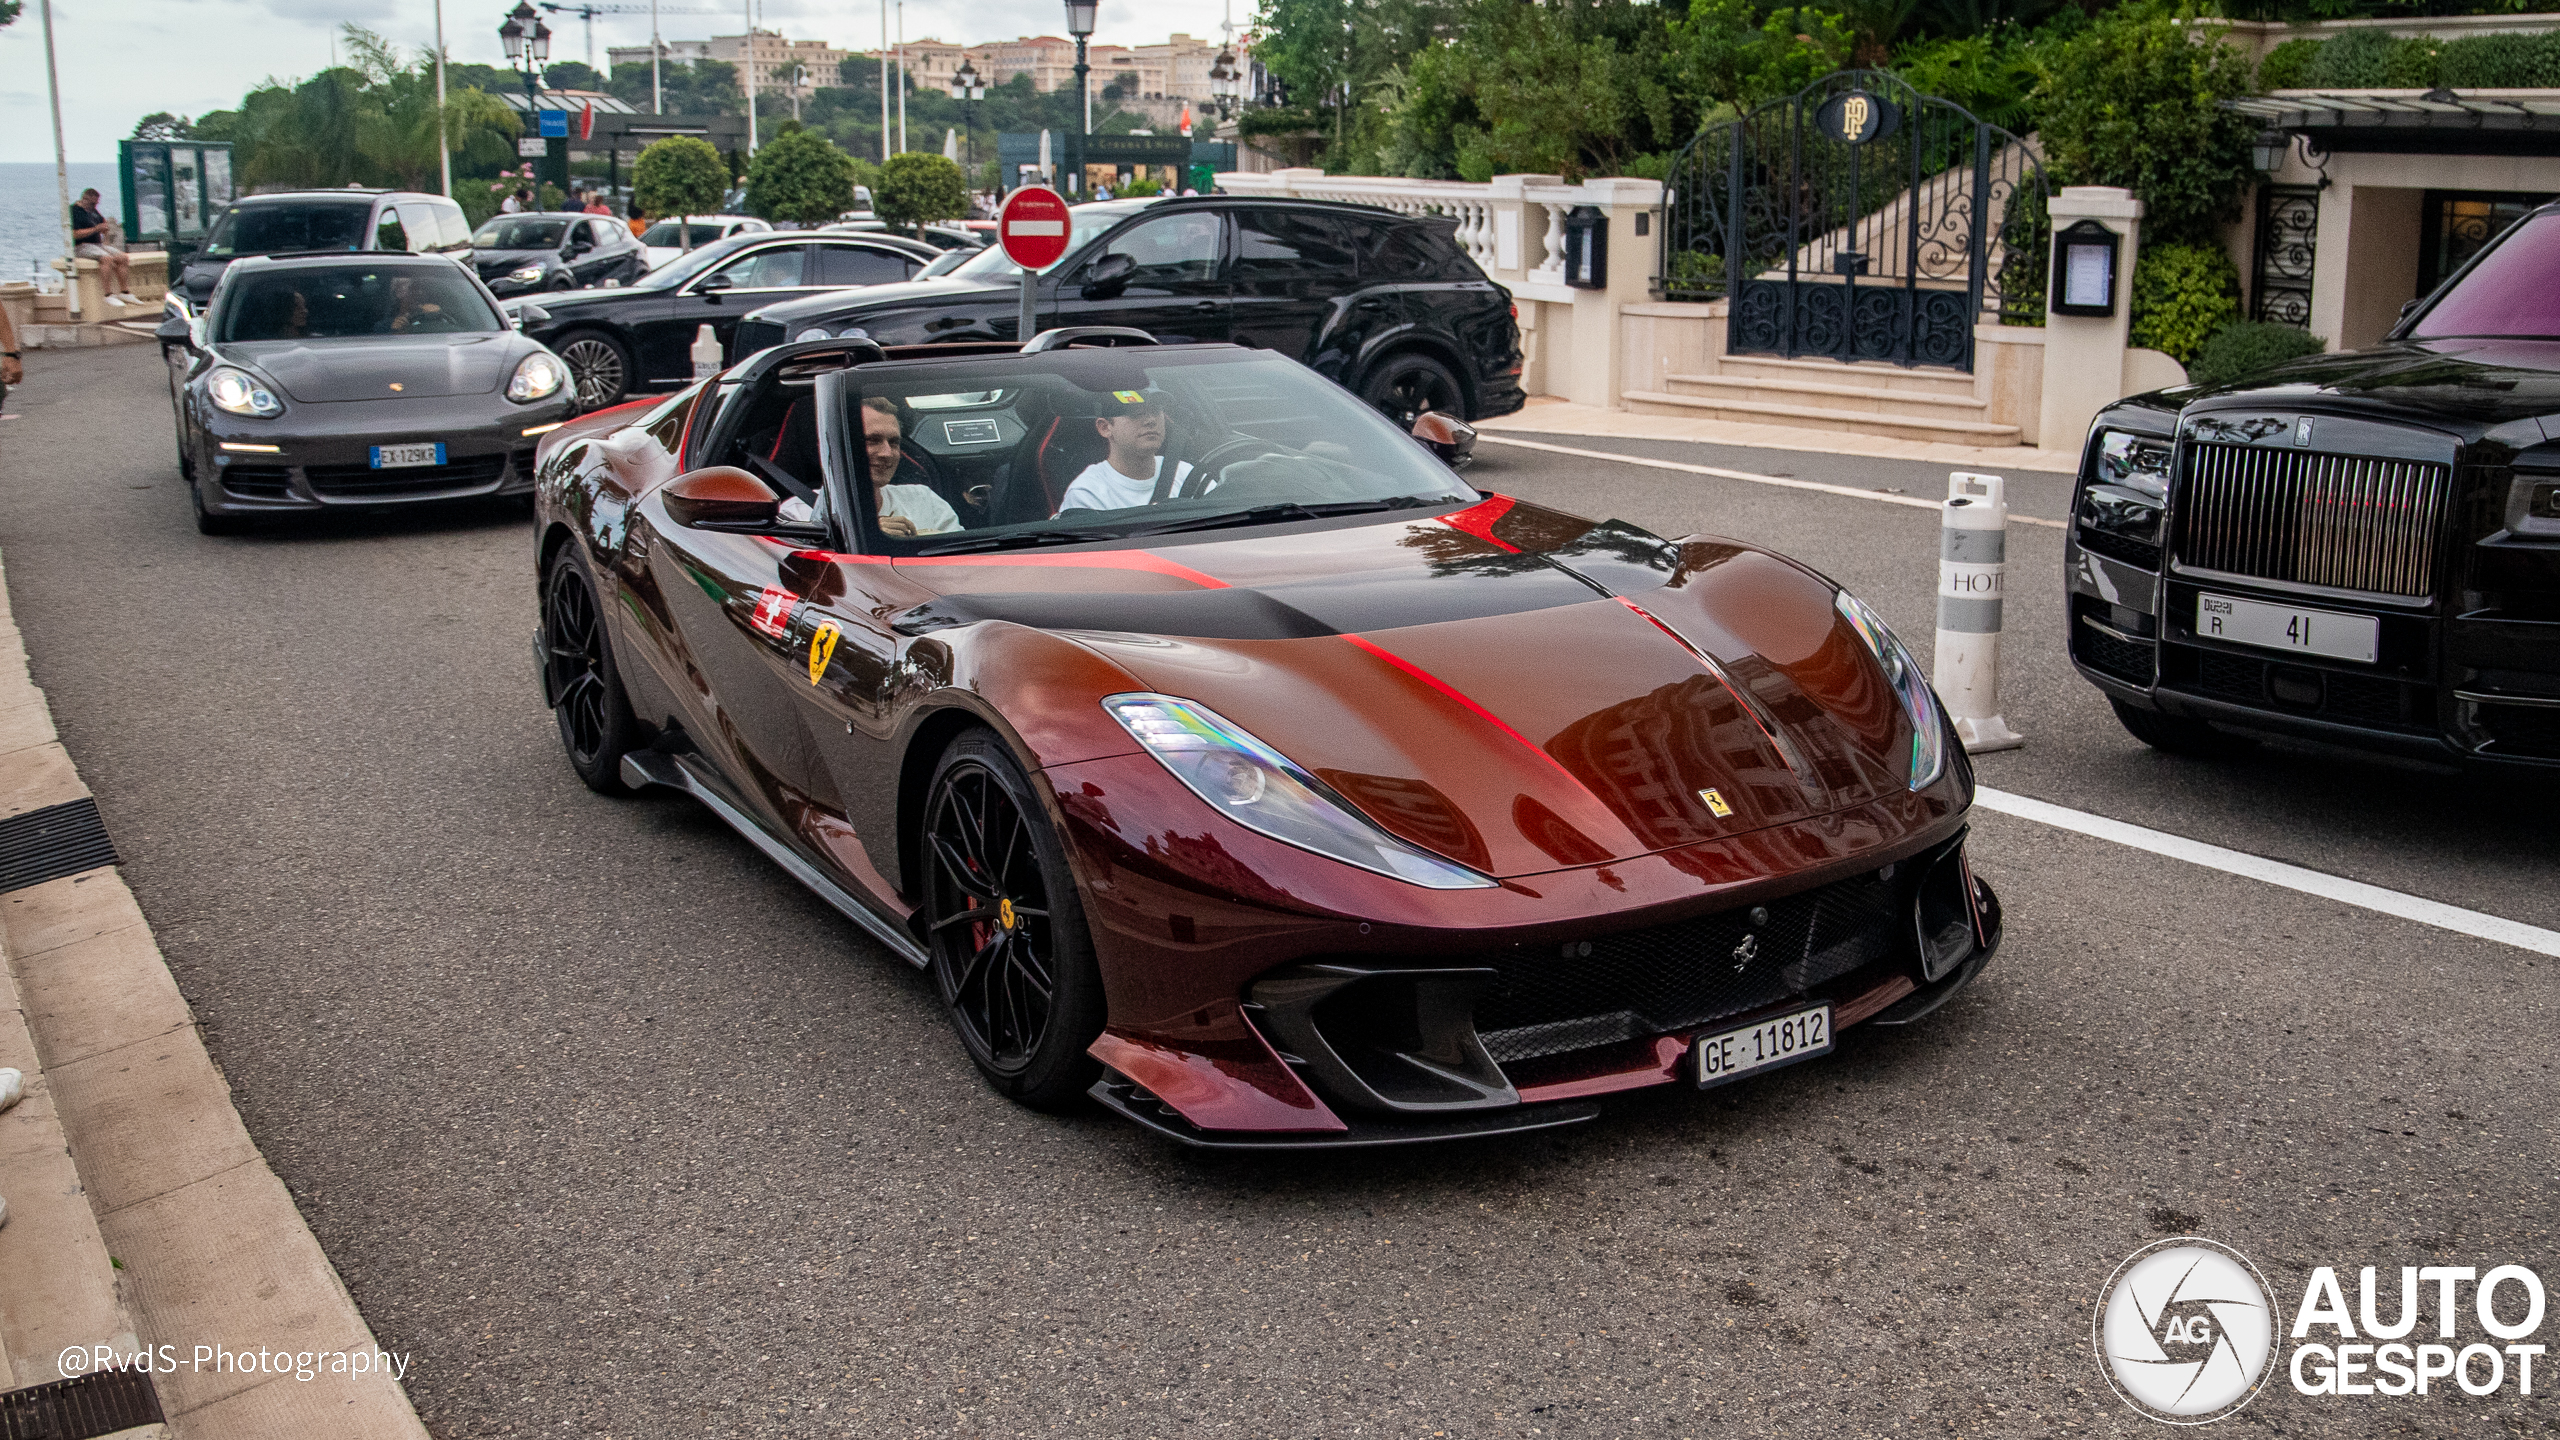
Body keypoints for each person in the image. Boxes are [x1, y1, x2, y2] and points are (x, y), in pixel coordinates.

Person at [1056, 391, 1194, 513]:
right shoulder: (1088, 494)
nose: (1151, 420)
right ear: (1105, 427)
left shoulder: (1187, 475)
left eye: (1156, 411)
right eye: (1136, 413)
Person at [860, 396, 960, 537]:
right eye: (872, 440)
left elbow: (964, 555)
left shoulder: (923, 500)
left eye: (894, 442)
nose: (887, 453)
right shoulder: (822, 509)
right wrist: (870, 534)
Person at [69, 189, 139, 307]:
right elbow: (74, 234)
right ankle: (108, 294)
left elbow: (103, 224)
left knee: (122, 257)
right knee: (106, 258)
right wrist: (95, 229)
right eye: (93, 203)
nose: (95, 205)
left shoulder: (93, 212)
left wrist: (104, 235)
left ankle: (124, 291)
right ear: (85, 199)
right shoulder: (75, 212)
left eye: (96, 203)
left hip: (97, 244)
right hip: (81, 246)